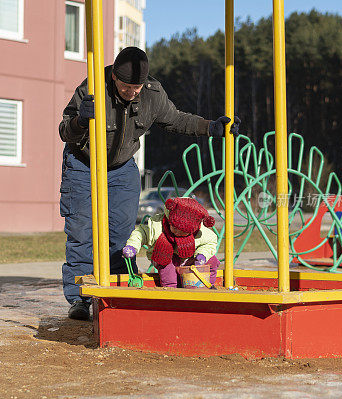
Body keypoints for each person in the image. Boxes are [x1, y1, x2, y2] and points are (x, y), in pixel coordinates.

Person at [59, 46, 240, 320]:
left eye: (137, 87)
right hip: (83, 164)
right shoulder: (92, 87)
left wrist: (211, 127)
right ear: (113, 78)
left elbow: (176, 119)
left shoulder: (152, 93)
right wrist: (81, 121)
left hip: (121, 169)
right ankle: (80, 300)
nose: (132, 92)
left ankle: (115, 295)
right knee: (82, 233)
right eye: (126, 86)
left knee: (120, 236)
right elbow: (64, 131)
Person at [122, 197, 219, 288]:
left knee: (212, 261)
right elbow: (141, 233)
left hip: (190, 256)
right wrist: (132, 246)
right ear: (169, 220)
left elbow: (209, 243)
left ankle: (208, 286)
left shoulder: (202, 232)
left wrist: (202, 255)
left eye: (184, 232)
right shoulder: (158, 226)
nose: (178, 233)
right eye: (175, 228)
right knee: (167, 265)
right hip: (163, 254)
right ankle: (171, 289)